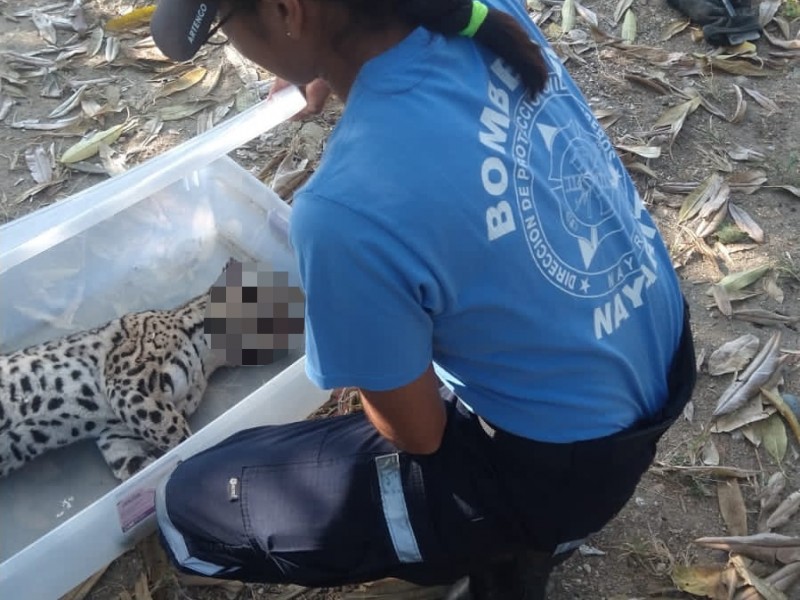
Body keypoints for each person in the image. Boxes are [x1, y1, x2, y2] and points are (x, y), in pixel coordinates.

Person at [148, 0, 697, 598]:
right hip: (663, 362)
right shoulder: (476, 14)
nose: (238, 51)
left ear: (288, 12)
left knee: (192, 506)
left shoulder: (340, 213)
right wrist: (326, 59)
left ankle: (516, 543)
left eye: (228, 32)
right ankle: (531, 531)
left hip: (565, 469)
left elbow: (418, 434)